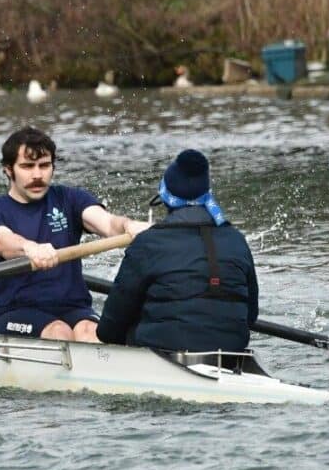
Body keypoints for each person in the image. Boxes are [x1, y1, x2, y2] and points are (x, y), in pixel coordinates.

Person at [0, 126, 148, 342]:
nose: (37, 175)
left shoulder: (69, 198)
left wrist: (129, 225)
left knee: (91, 334)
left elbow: (108, 223)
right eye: (27, 166)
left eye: (44, 166)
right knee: (59, 332)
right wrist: (29, 247)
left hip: (72, 307)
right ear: (8, 169)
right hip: (12, 312)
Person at [96, 150, 258, 352]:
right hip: (230, 353)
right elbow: (250, 317)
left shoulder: (147, 244)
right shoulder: (236, 240)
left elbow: (108, 331)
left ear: (164, 196)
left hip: (162, 356)